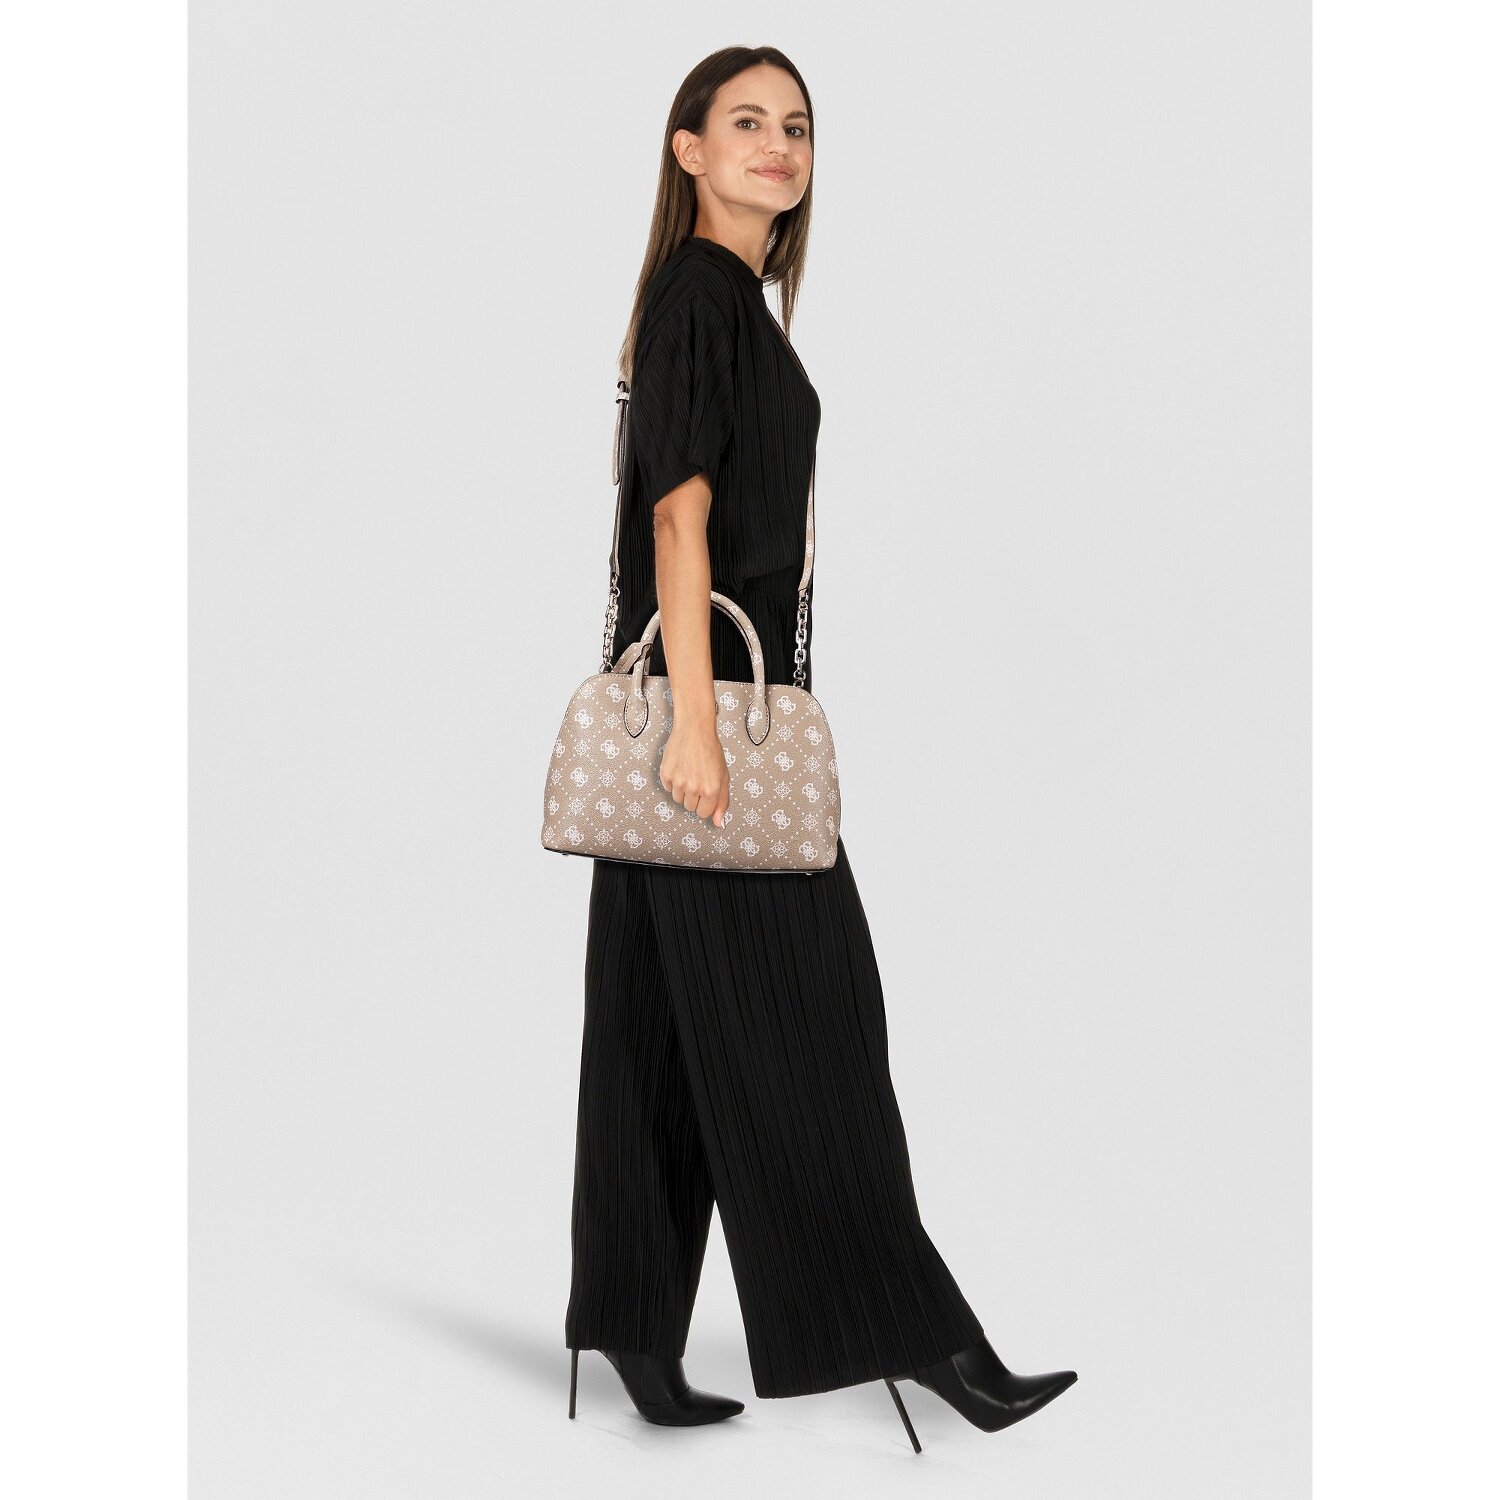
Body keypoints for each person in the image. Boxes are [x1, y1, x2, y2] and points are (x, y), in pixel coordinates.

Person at [563, 47, 1077, 1452]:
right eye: (746, 122)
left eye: (796, 126)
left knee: (654, 1035)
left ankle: (629, 1323)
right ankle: (924, 1340)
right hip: (715, 725)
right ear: (686, 150)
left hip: (716, 716)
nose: (779, 145)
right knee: (818, 1034)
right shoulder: (700, 299)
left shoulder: (726, 303)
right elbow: (677, 520)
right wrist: (695, 726)